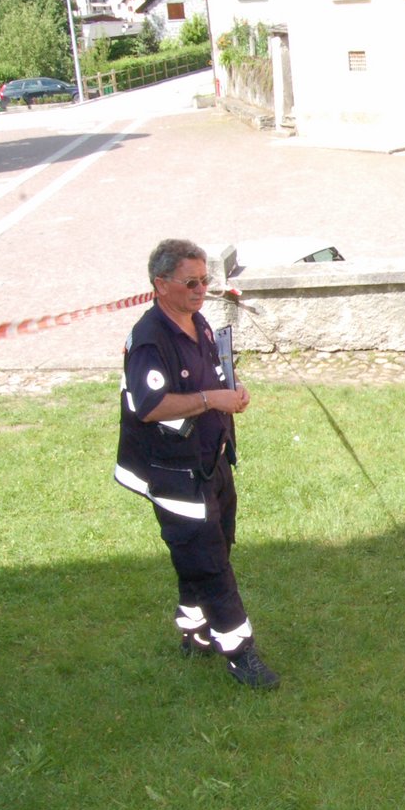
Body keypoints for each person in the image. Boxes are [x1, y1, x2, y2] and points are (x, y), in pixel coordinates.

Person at [114, 239, 279, 689]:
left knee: (216, 545)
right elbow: (150, 406)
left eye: (205, 280)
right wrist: (211, 400)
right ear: (160, 285)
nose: (201, 289)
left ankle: (193, 627)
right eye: (191, 281)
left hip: (212, 459)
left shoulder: (199, 322)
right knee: (209, 562)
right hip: (174, 474)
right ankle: (239, 652)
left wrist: (232, 390)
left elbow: (212, 373)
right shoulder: (149, 340)